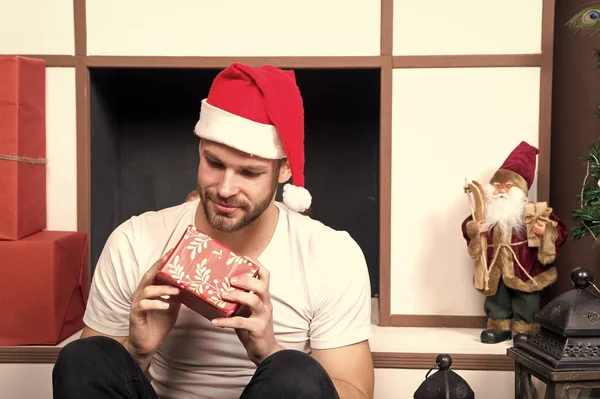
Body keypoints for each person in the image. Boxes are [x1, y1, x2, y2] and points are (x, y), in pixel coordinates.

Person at [52, 63, 374, 399]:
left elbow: (355, 391)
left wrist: (270, 352)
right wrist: (138, 350)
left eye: (249, 173)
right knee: (83, 357)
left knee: (294, 374)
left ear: (284, 169)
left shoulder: (331, 254)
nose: (224, 188)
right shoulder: (134, 240)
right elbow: (93, 379)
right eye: (215, 163)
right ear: (199, 151)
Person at [461, 141, 568, 345]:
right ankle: (499, 326)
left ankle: (525, 327)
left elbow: (560, 230)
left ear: (519, 190)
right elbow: (468, 226)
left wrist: (546, 231)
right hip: (495, 267)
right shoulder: (487, 213)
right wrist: (476, 228)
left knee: (526, 299)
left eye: (508, 187)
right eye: (497, 186)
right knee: (497, 298)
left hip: (525, 268)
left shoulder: (532, 210)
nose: (501, 191)